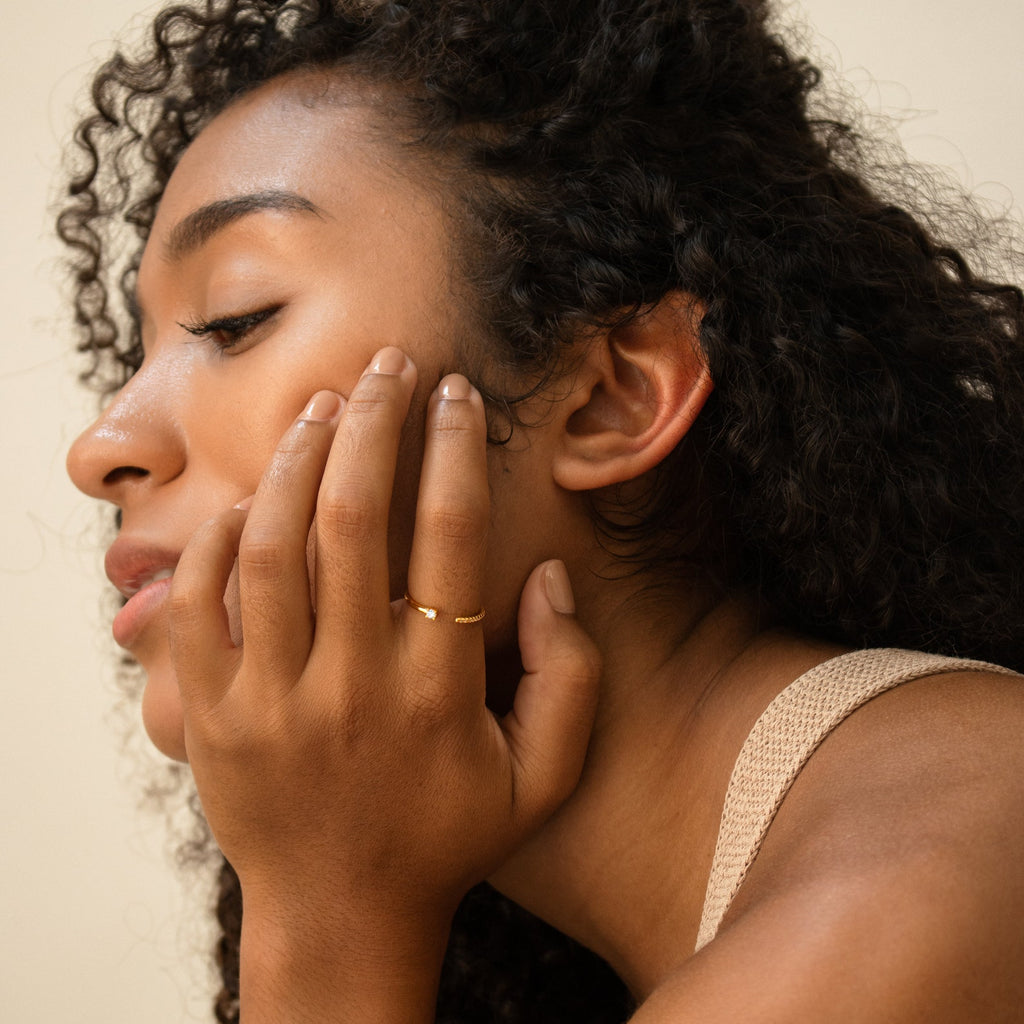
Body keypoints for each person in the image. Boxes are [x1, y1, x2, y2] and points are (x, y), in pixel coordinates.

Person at [63, 0, 1024, 1020]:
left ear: (613, 396)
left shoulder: (891, 908)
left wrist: (326, 916)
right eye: (137, 354)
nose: (101, 447)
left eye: (233, 318)